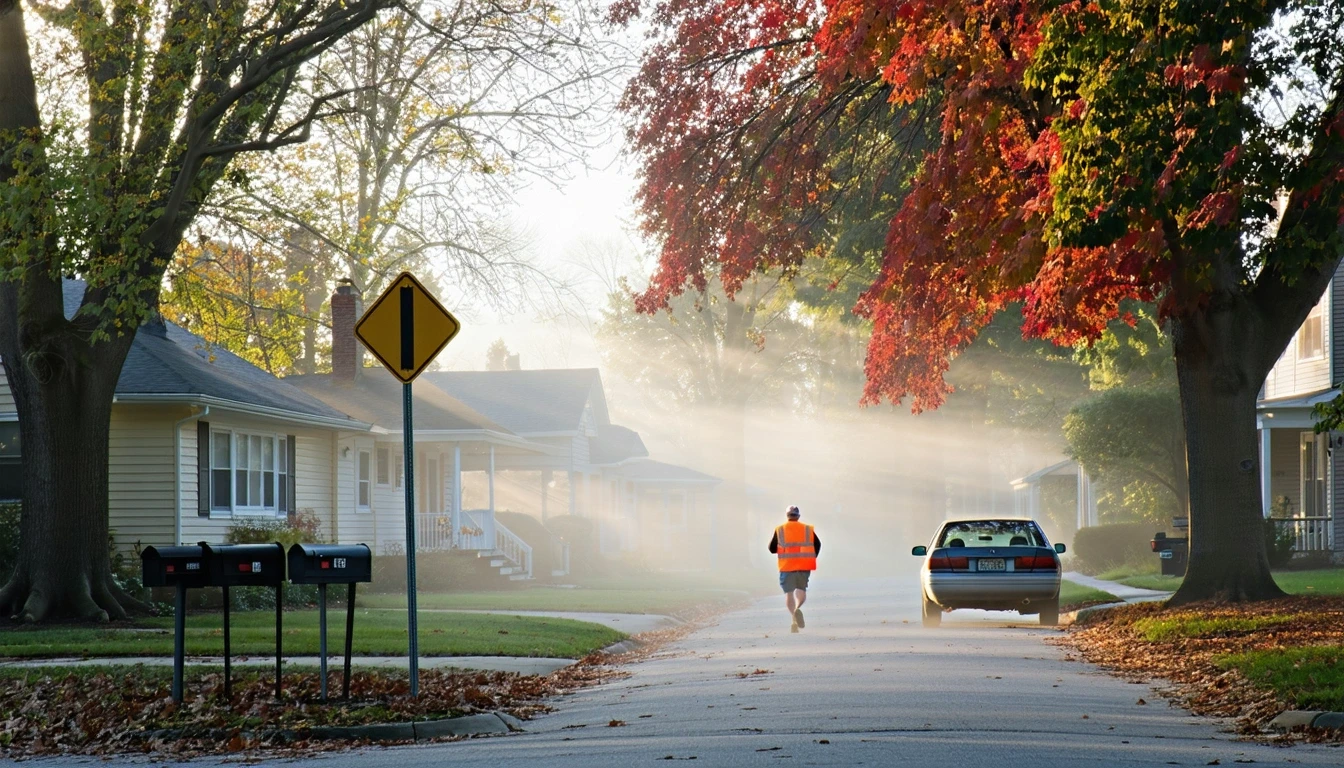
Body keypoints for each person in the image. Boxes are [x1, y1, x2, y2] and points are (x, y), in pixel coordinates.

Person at [768, 505, 819, 633]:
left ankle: (793, 618)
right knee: (801, 589)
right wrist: (811, 557)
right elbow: (817, 544)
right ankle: (798, 607)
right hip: (804, 565)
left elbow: (771, 548)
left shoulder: (780, 530)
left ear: (787, 516)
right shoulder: (807, 529)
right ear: (798, 516)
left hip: (787, 566)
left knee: (789, 593)